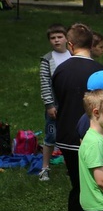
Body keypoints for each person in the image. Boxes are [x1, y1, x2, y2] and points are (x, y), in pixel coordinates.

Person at [53, 23, 103, 211]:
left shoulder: (60, 70)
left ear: (71, 44)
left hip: (66, 138)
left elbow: (58, 102)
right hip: (92, 138)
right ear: (91, 44)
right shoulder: (99, 71)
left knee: (77, 187)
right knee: (98, 187)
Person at [39, 24, 72, 182]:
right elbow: (44, 83)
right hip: (55, 104)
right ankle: (45, 168)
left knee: (72, 135)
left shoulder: (73, 56)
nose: (56, 40)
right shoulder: (47, 59)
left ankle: (71, 166)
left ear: (66, 38)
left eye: (59, 37)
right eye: (53, 38)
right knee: (51, 135)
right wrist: (49, 105)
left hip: (71, 102)